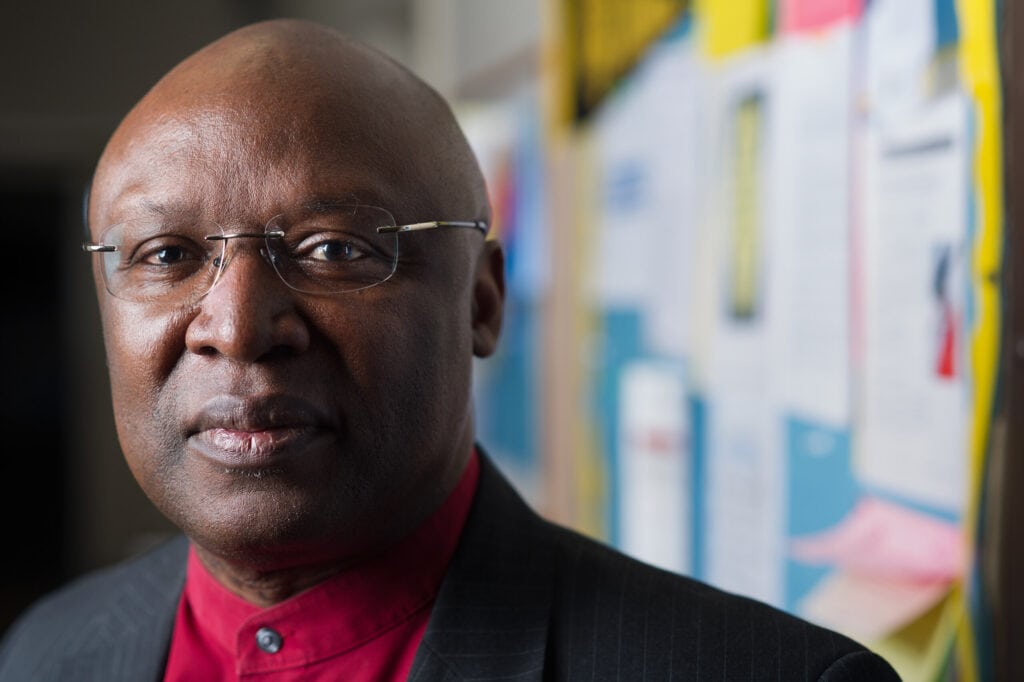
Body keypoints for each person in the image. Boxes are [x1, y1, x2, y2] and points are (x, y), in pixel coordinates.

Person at [0, 18, 901, 681]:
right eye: (166, 256)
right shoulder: (45, 653)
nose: (236, 327)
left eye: (336, 249)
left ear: (481, 300)